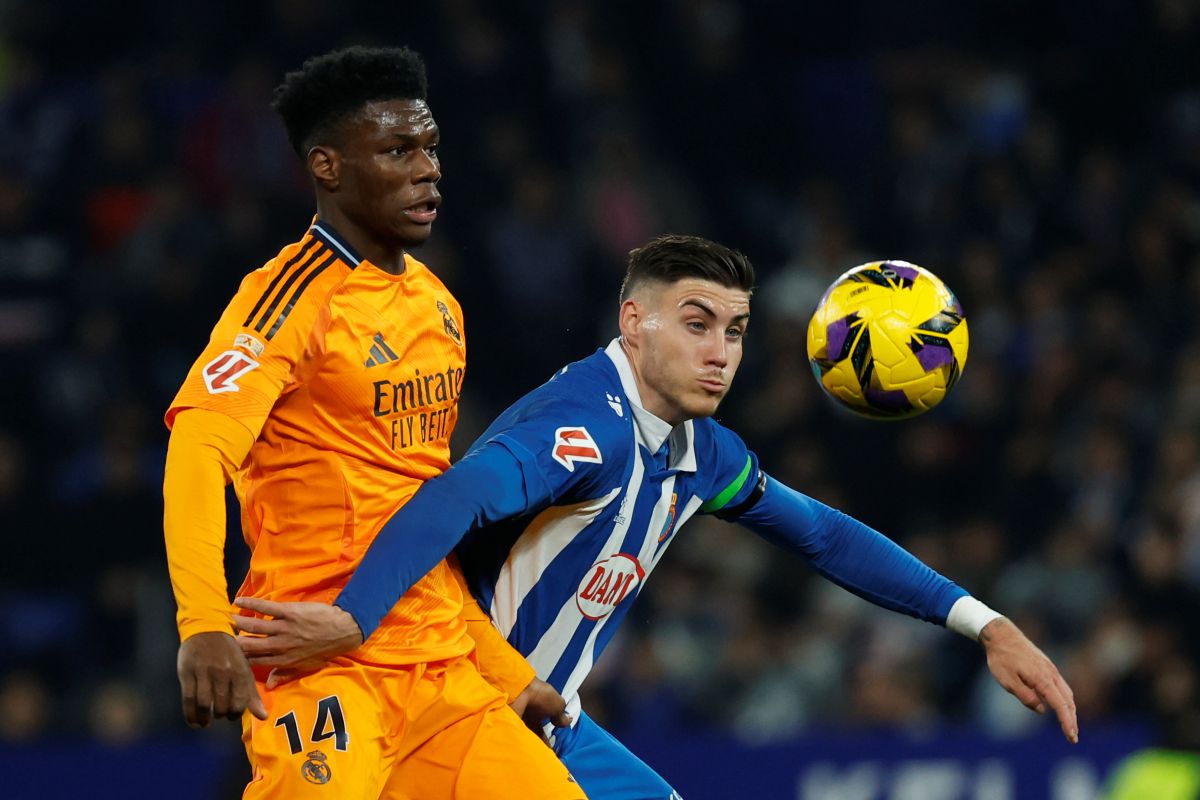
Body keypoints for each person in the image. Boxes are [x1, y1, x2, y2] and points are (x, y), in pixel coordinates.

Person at [233, 235, 1078, 800]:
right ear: (633, 324)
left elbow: (819, 533)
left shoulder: (700, 451)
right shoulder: (583, 427)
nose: (720, 353)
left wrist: (984, 622)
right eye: (698, 323)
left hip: (551, 713)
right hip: (459, 705)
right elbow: (453, 495)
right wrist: (354, 616)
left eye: (737, 332)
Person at [162, 45, 585, 799]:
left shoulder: (439, 307)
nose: (430, 169)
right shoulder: (286, 298)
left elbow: (421, 512)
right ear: (327, 167)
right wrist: (203, 623)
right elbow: (198, 448)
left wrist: (500, 670)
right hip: (320, 666)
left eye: (431, 147)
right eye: (398, 150)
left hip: (441, 671)